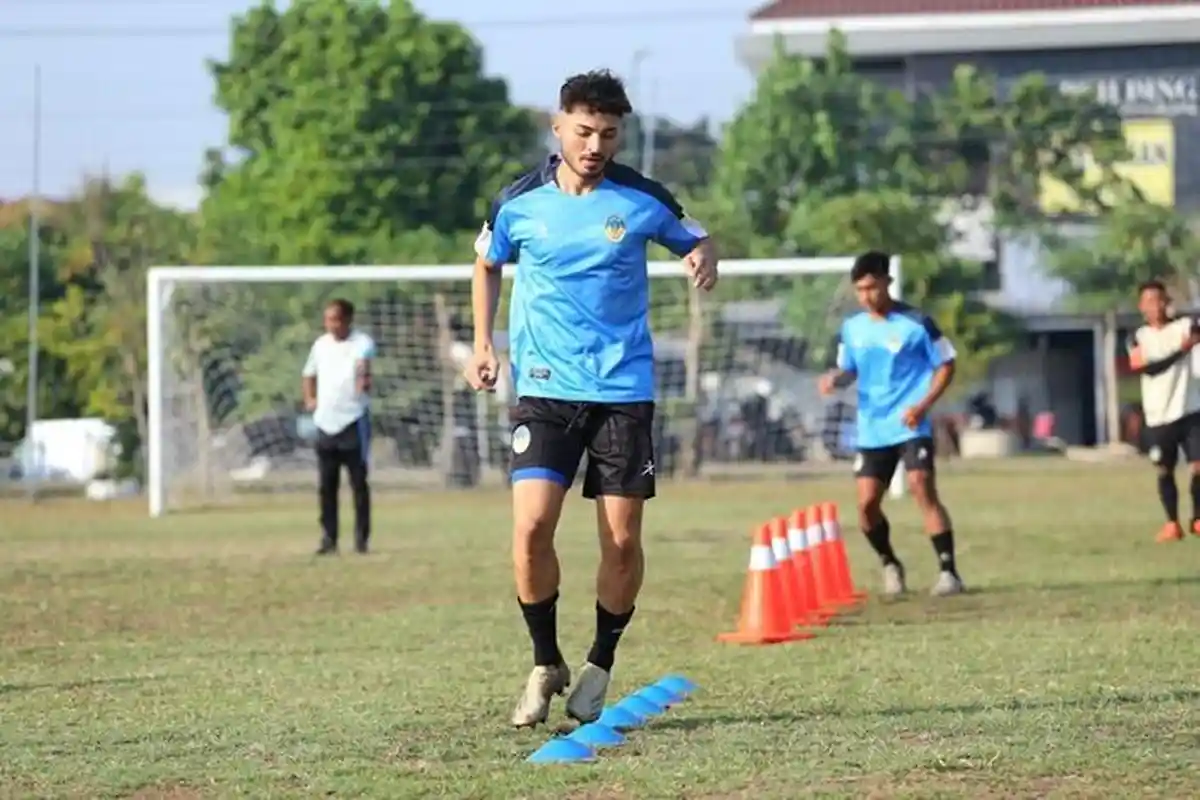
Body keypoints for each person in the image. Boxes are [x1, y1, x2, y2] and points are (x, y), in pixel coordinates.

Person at [464, 69, 718, 728]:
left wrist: (702, 259)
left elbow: (699, 236)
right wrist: (483, 344)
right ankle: (545, 660)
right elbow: (487, 263)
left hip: (623, 393)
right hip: (545, 392)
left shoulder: (642, 198)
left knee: (622, 542)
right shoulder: (517, 203)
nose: (596, 144)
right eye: (584, 131)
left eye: (608, 133)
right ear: (558, 128)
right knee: (528, 532)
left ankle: (600, 663)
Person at [818, 251, 964, 598]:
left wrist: (923, 404)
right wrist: (835, 379)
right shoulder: (852, 328)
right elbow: (848, 368)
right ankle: (889, 563)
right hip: (872, 428)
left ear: (887, 282)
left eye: (872, 287)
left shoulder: (917, 323)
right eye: (860, 290)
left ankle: (949, 573)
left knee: (920, 486)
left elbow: (946, 364)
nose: (867, 296)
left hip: (911, 423)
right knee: (866, 505)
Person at [1127, 279, 1200, 543]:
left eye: (1159, 300)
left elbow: (1195, 330)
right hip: (1158, 415)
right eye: (1148, 301)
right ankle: (1172, 524)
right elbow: (1148, 369)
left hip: (1190, 410)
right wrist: (1182, 350)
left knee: (1199, 466)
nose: (1154, 306)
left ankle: (1198, 519)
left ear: (1167, 302)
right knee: (1164, 470)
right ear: (1140, 306)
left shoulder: (1184, 326)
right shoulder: (1137, 337)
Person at [301, 298, 376, 556]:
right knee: (326, 485)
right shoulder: (320, 345)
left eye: (335, 319)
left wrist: (363, 380)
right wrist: (310, 398)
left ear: (347, 320)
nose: (330, 324)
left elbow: (363, 367)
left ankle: (361, 539)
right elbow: (308, 373)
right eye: (327, 319)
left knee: (358, 483)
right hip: (325, 422)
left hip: (353, 420)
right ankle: (328, 538)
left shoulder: (362, 343)